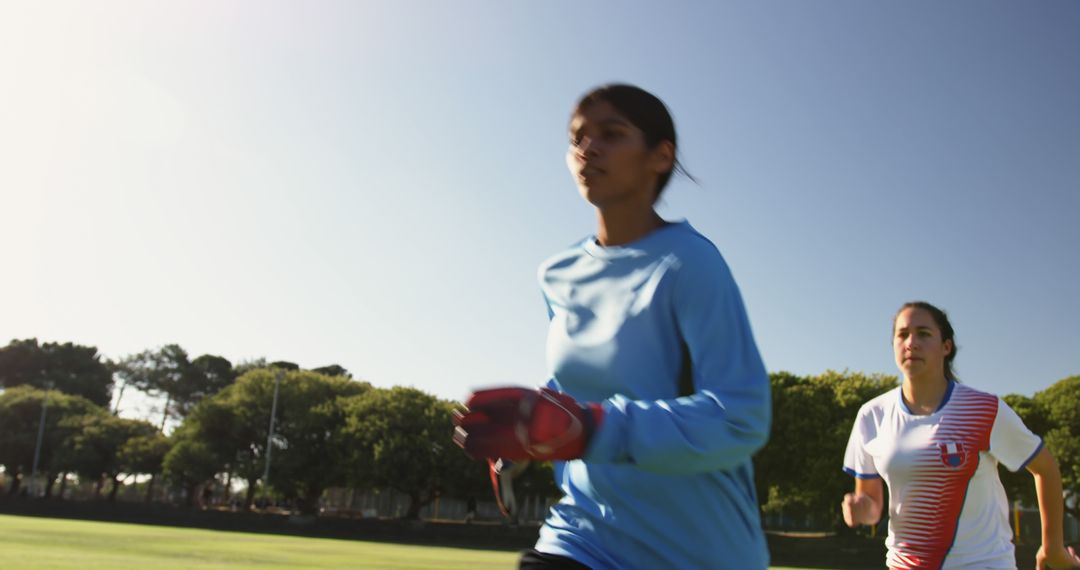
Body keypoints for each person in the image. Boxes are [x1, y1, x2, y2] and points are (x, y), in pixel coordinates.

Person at [452, 83, 772, 569]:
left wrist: (591, 429)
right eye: (578, 138)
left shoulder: (691, 263)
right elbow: (582, 382)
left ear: (660, 156)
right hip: (583, 535)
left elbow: (739, 416)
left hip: (697, 550)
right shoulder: (556, 274)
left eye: (611, 134)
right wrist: (531, 428)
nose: (588, 149)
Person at [841, 301, 1080, 570]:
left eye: (924, 333)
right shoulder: (871, 415)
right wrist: (861, 509)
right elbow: (873, 506)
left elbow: (1045, 469)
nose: (911, 342)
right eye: (903, 334)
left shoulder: (983, 409)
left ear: (946, 346)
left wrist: (1053, 548)